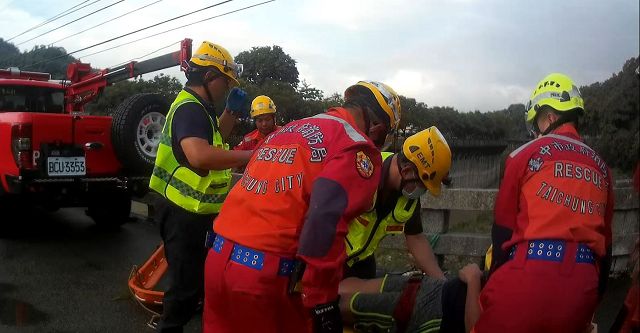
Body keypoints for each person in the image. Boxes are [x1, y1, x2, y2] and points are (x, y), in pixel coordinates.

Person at [203, 81, 401, 333]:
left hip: (217, 260)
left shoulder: (286, 130)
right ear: (378, 127)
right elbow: (324, 221)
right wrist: (323, 301)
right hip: (265, 281)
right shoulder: (355, 146)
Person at [474, 73, 614, 332]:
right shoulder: (602, 168)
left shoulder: (523, 155)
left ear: (550, 116)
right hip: (582, 288)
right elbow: (606, 247)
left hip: (526, 278)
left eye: (537, 123)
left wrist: (492, 283)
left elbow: (502, 230)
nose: (535, 132)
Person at [147, 41, 252, 333]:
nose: (227, 88)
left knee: (195, 283)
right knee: (183, 289)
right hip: (182, 213)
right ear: (208, 77)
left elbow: (212, 140)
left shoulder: (200, 109)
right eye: (225, 81)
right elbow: (200, 155)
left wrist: (229, 114)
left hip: (195, 211)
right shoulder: (191, 108)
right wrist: (250, 156)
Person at [345, 126, 452, 280]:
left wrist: (441, 283)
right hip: (328, 262)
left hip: (362, 261)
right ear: (407, 171)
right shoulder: (363, 171)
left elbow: (416, 238)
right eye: (423, 186)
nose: (422, 192)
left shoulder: (407, 198)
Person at [339, 263, 484, 333]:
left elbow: (476, 329)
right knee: (360, 285)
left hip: (434, 315)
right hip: (437, 286)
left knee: (347, 308)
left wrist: (473, 281)